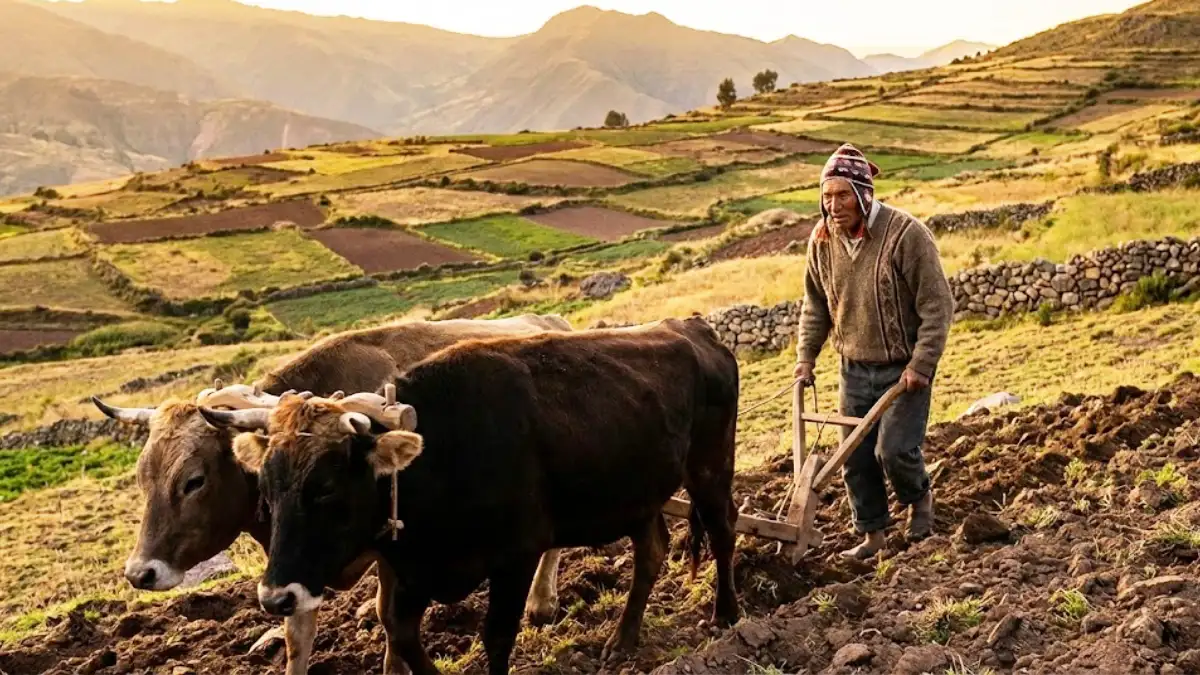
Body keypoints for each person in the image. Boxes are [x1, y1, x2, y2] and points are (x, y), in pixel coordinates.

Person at [793, 143, 953, 559]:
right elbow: (816, 304)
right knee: (856, 459)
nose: (833, 205)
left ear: (863, 193)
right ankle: (873, 536)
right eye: (827, 196)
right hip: (852, 367)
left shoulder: (906, 234)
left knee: (894, 451)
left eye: (842, 195)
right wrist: (805, 357)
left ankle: (920, 502)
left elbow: (937, 304)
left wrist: (922, 363)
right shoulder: (821, 240)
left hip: (902, 369)